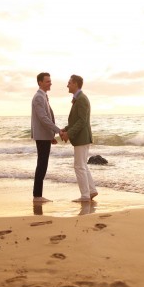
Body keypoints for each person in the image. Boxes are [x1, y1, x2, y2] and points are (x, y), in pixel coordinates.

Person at [61, 74, 98, 202]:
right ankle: (91, 191)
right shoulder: (79, 98)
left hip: (82, 138)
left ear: (76, 84)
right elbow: (76, 121)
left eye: (69, 83)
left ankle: (85, 196)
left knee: (79, 166)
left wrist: (69, 134)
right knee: (83, 165)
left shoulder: (82, 99)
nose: (67, 85)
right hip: (82, 137)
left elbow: (82, 121)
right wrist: (65, 130)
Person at [31, 72, 62, 203]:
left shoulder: (44, 96)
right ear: (40, 82)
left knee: (43, 164)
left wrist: (51, 135)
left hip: (45, 136)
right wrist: (58, 130)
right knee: (42, 165)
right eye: (47, 81)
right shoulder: (39, 97)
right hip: (41, 136)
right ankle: (37, 196)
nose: (50, 83)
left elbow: (48, 117)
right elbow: (43, 118)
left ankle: (38, 195)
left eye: (50, 81)